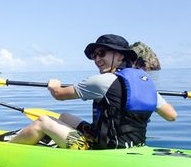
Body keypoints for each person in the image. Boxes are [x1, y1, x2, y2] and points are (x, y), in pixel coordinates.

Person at [10, 34, 177, 150]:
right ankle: (50, 139)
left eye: (102, 53)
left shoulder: (100, 81)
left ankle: (9, 148)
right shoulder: (145, 84)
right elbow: (171, 116)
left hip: (101, 148)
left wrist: (54, 85)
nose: (97, 59)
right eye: (94, 55)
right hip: (134, 144)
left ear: (120, 56)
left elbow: (59, 95)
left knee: (43, 121)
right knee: (65, 117)